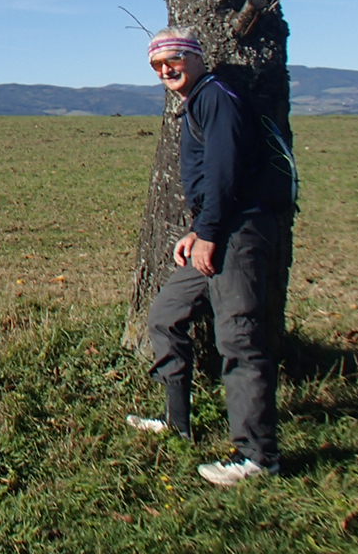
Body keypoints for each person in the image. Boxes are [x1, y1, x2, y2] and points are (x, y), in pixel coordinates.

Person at [126, 28, 282, 486]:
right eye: (157, 66)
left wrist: (208, 234)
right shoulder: (200, 100)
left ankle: (258, 458)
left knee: (239, 340)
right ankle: (178, 422)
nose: (165, 70)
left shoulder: (216, 97)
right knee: (166, 314)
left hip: (238, 233)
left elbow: (224, 171)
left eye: (172, 60)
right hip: (215, 231)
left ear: (194, 58)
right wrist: (197, 232)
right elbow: (218, 178)